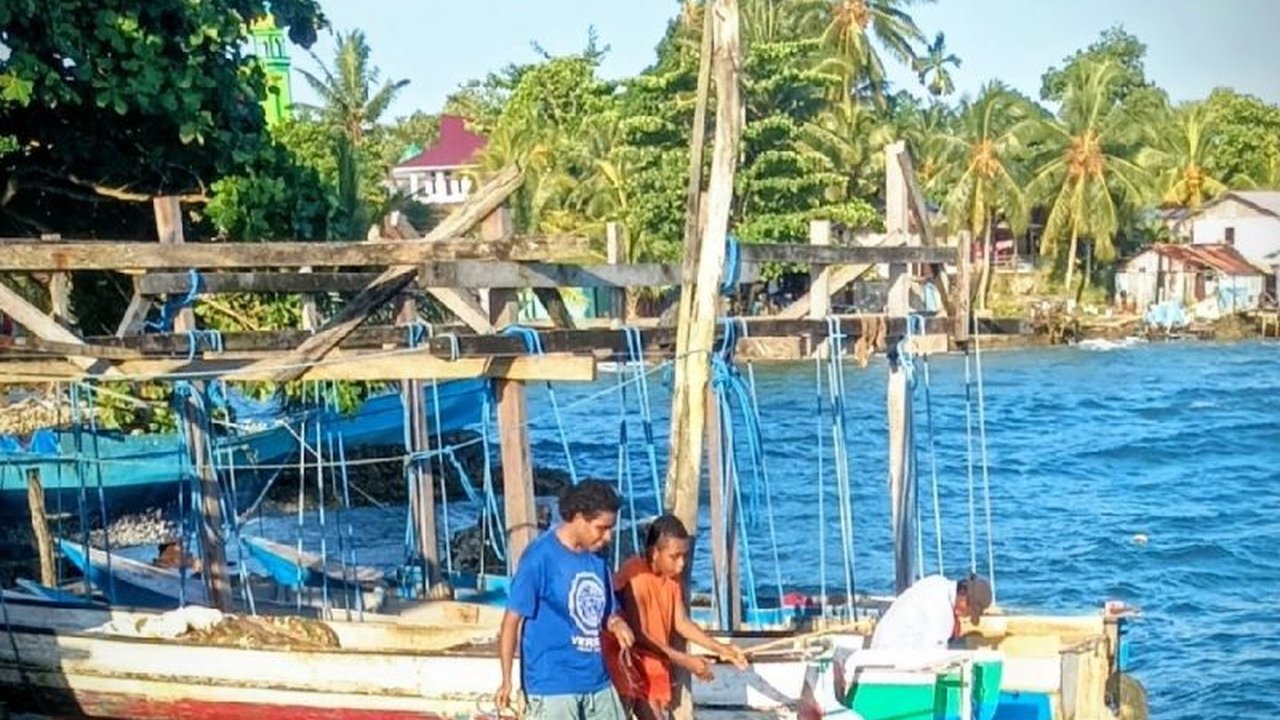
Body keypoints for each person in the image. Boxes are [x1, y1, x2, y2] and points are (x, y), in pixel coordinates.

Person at [495, 481, 636, 720]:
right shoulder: (540, 557)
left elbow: (605, 611)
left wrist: (616, 623)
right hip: (552, 684)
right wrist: (507, 679)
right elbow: (511, 621)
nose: (608, 536)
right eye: (601, 528)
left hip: (597, 680)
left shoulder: (597, 556)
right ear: (579, 518)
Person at [603, 515, 749, 720]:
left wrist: (722, 649)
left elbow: (681, 622)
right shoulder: (634, 575)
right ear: (655, 552)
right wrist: (687, 661)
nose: (681, 564)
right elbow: (640, 635)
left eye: (685, 556)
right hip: (625, 667)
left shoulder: (671, 578)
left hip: (653, 666)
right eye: (675, 556)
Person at [869, 573, 993, 651]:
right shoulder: (942, 614)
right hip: (890, 658)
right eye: (969, 612)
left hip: (882, 643)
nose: (966, 616)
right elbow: (932, 657)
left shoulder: (938, 581)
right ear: (963, 597)